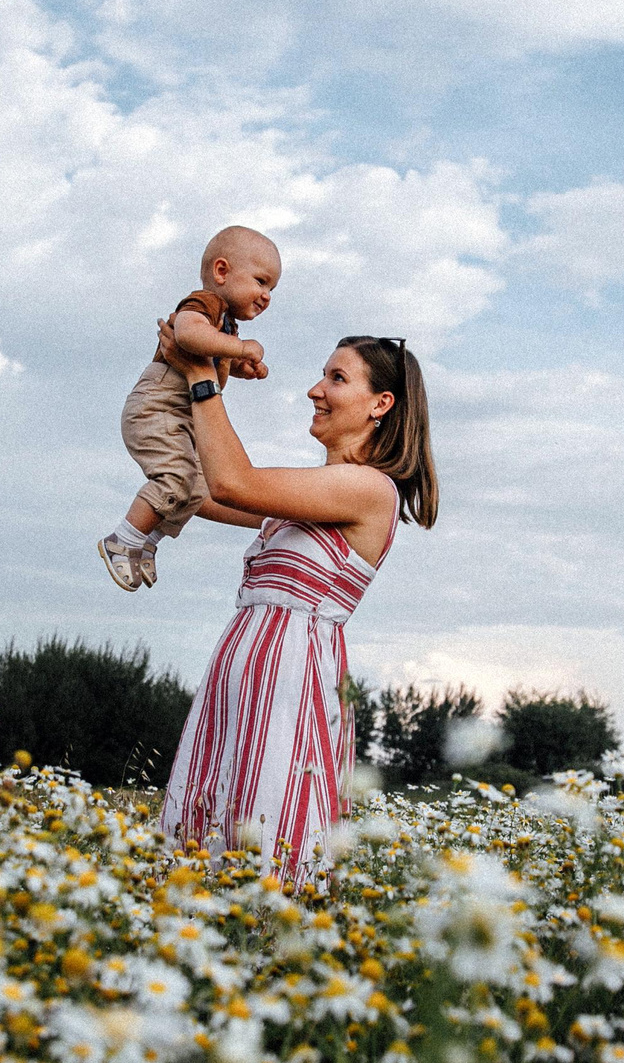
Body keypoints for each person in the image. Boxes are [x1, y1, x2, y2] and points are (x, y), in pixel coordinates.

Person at [154, 332, 439, 885]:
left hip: (290, 681)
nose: (316, 390)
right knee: (213, 840)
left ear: (381, 404)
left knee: (272, 832)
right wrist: (175, 381)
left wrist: (201, 376)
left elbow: (232, 482)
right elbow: (195, 488)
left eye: (337, 378)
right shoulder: (307, 497)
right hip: (243, 680)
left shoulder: (371, 490)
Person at [98, 226, 281, 591]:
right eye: (261, 282)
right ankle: (124, 539)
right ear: (221, 272)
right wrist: (241, 348)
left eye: (272, 290)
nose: (266, 296)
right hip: (157, 407)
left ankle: (147, 542)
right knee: (176, 478)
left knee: (195, 489)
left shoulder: (226, 325)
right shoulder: (206, 303)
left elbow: (209, 357)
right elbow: (186, 334)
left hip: (177, 414)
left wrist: (240, 366)